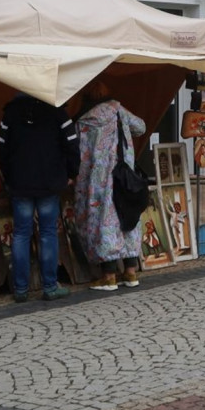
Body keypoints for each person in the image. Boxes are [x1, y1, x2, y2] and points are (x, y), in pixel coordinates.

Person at [0, 92, 80, 302]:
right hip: (49, 182)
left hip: (20, 182)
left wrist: (9, 177)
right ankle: (50, 287)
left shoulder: (10, 113)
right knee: (48, 233)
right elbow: (72, 145)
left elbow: (2, 150)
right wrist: (71, 173)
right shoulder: (58, 112)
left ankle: (21, 289)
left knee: (21, 234)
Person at [74, 80, 147, 291]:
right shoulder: (118, 110)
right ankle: (131, 272)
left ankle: (108, 275)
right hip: (122, 175)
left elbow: (77, 151)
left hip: (96, 181)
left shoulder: (83, 121)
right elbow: (140, 127)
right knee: (127, 217)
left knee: (102, 222)